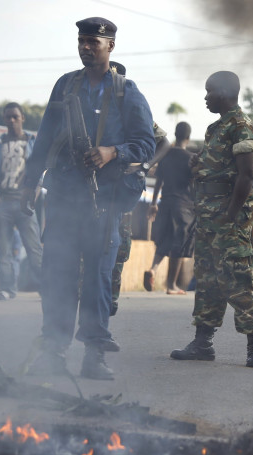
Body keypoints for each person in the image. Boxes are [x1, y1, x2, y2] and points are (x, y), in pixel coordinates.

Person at [20, 17, 155, 380]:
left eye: (93, 42)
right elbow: (45, 138)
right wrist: (28, 184)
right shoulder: (66, 86)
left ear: (110, 46)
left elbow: (147, 143)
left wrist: (113, 151)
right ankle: (53, 351)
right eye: (82, 41)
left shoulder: (127, 91)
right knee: (57, 272)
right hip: (64, 195)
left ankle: (93, 355)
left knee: (97, 277)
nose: (85, 47)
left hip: (103, 199)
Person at [170, 71, 253, 368]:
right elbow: (215, 167)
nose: (205, 97)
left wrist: (230, 215)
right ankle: (203, 342)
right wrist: (199, 164)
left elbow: (247, 174)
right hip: (210, 213)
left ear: (225, 92)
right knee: (209, 276)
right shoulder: (215, 130)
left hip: (229, 214)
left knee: (237, 275)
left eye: (209, 91)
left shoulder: (241, 126)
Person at [107, 61, 170, 316]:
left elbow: (164, 143)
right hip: (92, 192)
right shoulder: (92, 108)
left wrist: (144, 166)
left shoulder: (134, 110)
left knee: (118, 250)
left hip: (123, 191)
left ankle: (109, 305)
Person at [0, 102, 43, 301]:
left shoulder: (32, 143)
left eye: (15, 117)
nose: (11, 120)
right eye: (8, 117)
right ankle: (8, 289)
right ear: (4, 119)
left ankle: (46, 289)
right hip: (4, 203)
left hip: (25, 204)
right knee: (4, 250)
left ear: (22, 118)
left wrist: (32, 200)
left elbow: (38, 176)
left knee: (34, 249)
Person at [144, 121, 196, 295]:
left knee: (164, 240)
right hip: (183, 206)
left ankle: (153, 269)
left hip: (164, 203)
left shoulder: (165, 156)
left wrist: (153, 204)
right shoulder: (190, 158)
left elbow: (159, 180)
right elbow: (193, 183)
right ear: (188, 138)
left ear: (175, 133)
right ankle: (171, 285)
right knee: (179, 245)